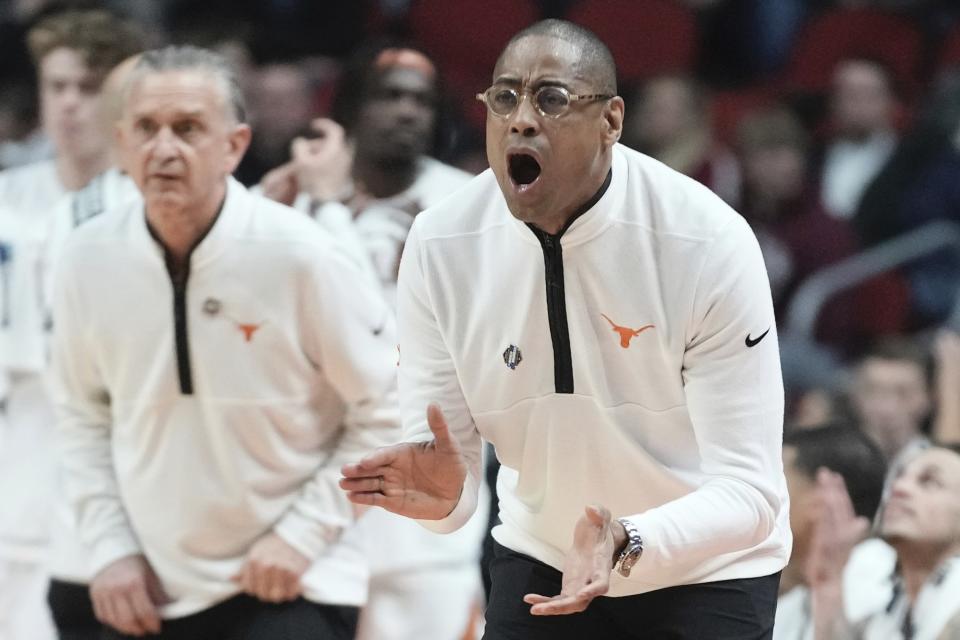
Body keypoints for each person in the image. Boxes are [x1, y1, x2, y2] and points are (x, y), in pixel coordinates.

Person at [340, 19, 791, 639]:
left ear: (611, 121)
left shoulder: (705, 241)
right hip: (543, 557)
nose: (521, 120)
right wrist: (445, 496)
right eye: (504, 98)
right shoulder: (442, 242)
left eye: (550, 99)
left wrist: (629, 538)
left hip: (708, 571)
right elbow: (450, 475)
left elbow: (751, 492)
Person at [51, 45, 398, 640]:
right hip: (150, 591)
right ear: (122, 143)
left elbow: (389, 406)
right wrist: (109, 549)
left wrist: (302, 534)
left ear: (234, 146)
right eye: (146, 129)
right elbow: (82, 417)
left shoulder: (302, 255)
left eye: (187, 129)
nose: (163, 149)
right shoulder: (86, 257)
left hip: (295, 580)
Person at [261, 42, 488, 640]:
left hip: (428, 519)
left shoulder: (469, 208)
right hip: (314, 505)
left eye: (422, 100)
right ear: (352, 109)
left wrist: (331, 203)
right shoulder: (296, 202)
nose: (409, 112)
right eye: (390, 97)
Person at [0, 10, 144, 639]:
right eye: (55, 86)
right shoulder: (7, 196)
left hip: (108, 442)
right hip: (16, 436)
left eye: (85, 88)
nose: (68, 104)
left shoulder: (145, 207)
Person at [807, 444, 960, 639]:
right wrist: (828, 584)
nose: (899, 488)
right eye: (899, 477)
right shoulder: (890, 611)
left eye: (929, 482)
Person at [775, 424, 893, 640]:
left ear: (825, 494)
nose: (766, 496)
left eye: (777, 481)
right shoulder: (792, 603)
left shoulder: (877, 571)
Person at [848, 339, 933, 462]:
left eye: (903, 393)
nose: (887, 407)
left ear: (928, 397)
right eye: (873, 391)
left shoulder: (946, 464)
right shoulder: (831, 464)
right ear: (855, 396)